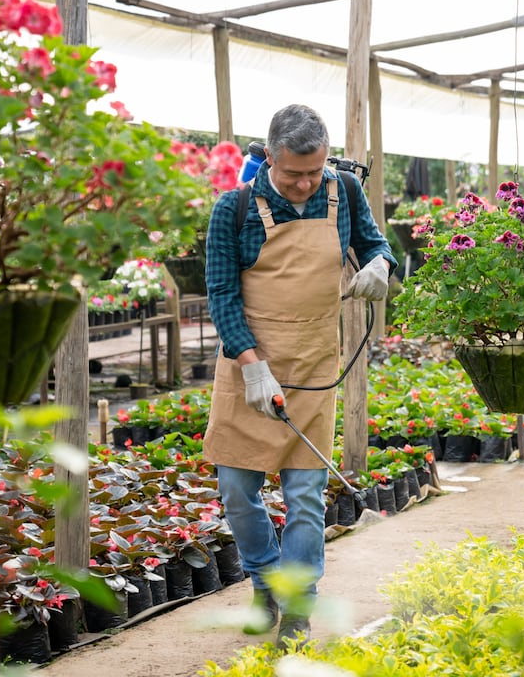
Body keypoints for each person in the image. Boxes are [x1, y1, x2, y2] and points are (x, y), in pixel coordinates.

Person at [202, 104, 396, 647]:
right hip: (249, 363)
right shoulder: (234, 208)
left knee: (306, 494)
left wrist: (380, 264)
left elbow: (376, 245)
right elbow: (221, 295)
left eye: (316, 172)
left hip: (314, 360)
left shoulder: (344, 193)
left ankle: (300, 609)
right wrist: (252, 364)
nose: (307, 184)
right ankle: (265, 579)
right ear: (269, 158)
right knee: (237, 489)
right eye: (294, 175)